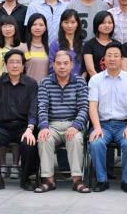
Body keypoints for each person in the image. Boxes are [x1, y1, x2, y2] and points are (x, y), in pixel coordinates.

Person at [87, 44, 127, 193]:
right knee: (96, 144)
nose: (112, 58)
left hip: (124, 124)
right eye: (109, 55)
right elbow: (92, 106)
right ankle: (101, 180)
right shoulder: (96, 80)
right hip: (102, 124)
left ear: (121, 59)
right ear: (104, 59)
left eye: (116, 55)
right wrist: (96, 127)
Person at [0, 50, 39, 192]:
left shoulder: (31, 84)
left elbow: (34, 109)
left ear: (23, 65)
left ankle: (26, 179)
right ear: (6, 65)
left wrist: (30, 129)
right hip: (2, 127)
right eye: (11, 62)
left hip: (23, 127)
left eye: (18, 62)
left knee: (29, 142)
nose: (15, 65)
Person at [35, 50, 89, 193]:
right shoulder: (46, 82)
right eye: (58, 63)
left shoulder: (80, 82)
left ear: (72, 65)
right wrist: (44, 126)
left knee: (75, 139)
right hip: (52, 125)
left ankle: (77, 180)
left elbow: (84, 107)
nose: (62, 67)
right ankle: (49, 180)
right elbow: (42, 106)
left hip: (73, 124)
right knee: (44, 138)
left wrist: (75, 126)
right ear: (53, 65)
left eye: (65, 63)